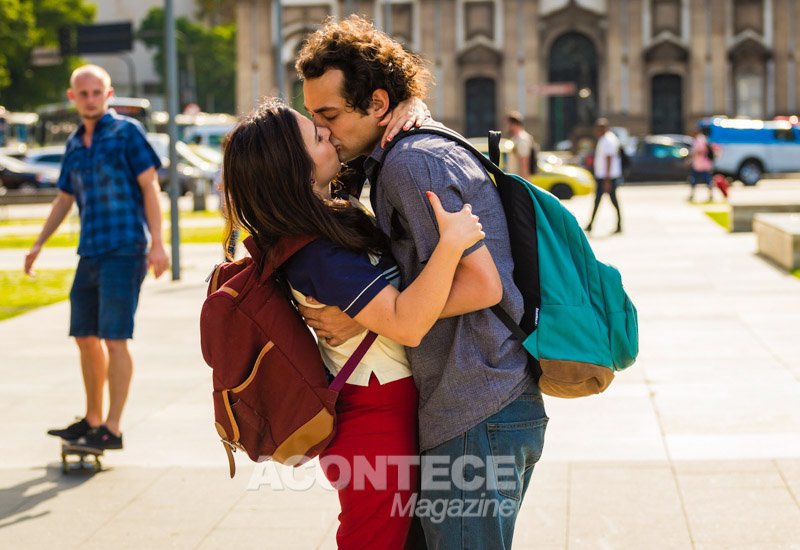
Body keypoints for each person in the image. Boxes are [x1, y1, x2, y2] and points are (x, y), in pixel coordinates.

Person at [296, 16, 547, 549]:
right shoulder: (391, 157)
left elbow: (483, 286)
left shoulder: (414, 163)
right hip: (473, 403)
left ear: (379, 104)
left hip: (475, 403)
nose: (322, 130)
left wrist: (362, 315)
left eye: (330, 115)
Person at [221, 98, 484, 549]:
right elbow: (406, 324)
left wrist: (411, 106)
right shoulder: (317, 252)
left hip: (382, 406)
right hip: (376, 414)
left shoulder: (325, 221)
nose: (331, 135)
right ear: (297, 172)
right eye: (319, 136)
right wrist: (451, 244)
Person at [24, 64, 169, 451]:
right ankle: (92, 419)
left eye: (96, 92)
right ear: (72, 97)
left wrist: (158, 242)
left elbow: (150, 186)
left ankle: (113, 428)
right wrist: (39, 243)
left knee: (114, 338)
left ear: (108, 94)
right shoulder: (73, 143)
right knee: (85, 337)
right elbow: (65, 198)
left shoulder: (127, 133)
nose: (90, 99)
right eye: (82, 93)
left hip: (125, 249)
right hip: (89, 251)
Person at [584, 117, 623, 234]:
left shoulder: (608, 140)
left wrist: (607, 180)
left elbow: (609, 159)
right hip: (604, 176)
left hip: (607, 177)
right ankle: (592, 224)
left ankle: (618, 224)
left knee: (610, 200)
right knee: (601, 201)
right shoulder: (604, 139)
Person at [506, 111, 538, 179]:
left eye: (508, 124)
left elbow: (524, 162)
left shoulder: (522, 139)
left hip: (519, 180)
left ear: (513, 124)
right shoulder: (516, 138)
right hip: (515, 179)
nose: (507, 126)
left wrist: (524, 183)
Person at [688, 128, 714, 202]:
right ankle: (710, 195)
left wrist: (693, 155)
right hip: (702, 165)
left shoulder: (700, 139)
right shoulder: (704, 139)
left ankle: (693, 196)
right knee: (705, 181)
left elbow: (699, 151)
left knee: (695, 181)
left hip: (701, 165)